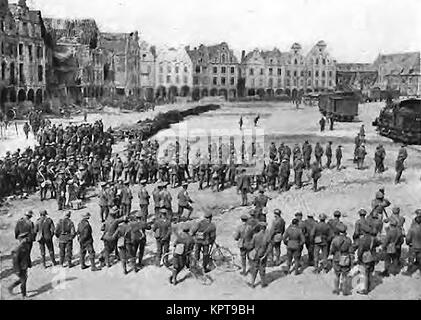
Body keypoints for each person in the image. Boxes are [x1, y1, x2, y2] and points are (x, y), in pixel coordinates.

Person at [329, 223, 353, 296]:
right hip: (345, 257)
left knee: (337, 275)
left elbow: (332, 250)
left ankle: (336, 290)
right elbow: (351, 250)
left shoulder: (335, 239)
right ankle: (345, 290)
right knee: (345, 275)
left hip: (337, 258)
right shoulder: (348, 240)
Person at [248, 222, 271, 288]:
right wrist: (266, 255)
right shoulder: (267, 236)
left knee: (255, 269)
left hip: (256, 254)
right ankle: (263, 283)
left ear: (260, 227)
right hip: (263, 254)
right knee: (262, 269)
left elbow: (251, 245)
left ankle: (252, 283)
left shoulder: (255, 236)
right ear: (265, 228)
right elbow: (270, 246)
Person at [11, 232, 31, 298]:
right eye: (25, 238)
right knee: (24, 281)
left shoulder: (26, 245)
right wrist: (17, 270)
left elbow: (27, 256)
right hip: (20, 267)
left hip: (24, 266)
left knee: (24, 279)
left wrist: (29, 263)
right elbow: (15, 261)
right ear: (21, 239)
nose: (27, 238)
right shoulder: (18, 249)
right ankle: (24, 295)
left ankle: (12, 286)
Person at [404, 209, 421, 276]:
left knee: (411, 259)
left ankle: (409, 272)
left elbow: (408, 239)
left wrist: (408, 243)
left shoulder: (412, 229)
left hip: (413, 246)